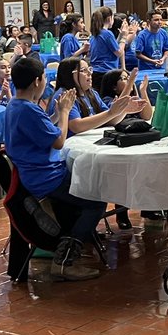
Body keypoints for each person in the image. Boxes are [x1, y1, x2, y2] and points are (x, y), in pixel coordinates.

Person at [4, 56, 104, 280]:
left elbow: (44, 128)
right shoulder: (28, 110)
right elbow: (58, 141)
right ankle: (65, 260)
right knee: (96, 200)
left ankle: (72, 247)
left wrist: (58, 114)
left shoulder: (16, 105)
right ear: (38, 81)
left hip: (35, 174)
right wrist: (66, 113)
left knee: (89, 181)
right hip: (46, 178)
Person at [51, 58, 144, 230]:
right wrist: (112, 112)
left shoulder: (90, 93)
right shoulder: (64, 95)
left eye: (90, 69)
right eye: (85, 71)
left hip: (94, 147)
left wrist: (123, 109)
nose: (90, 74)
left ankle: (135, 208)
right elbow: (76, 125)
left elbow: (110, 119)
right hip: (73, 156)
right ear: (72, 75)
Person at [88, 6, 125, 94]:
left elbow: (113, 46)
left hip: (96, 72)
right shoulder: (107, 33)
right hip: (107, 71)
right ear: (109, 18)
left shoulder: (96, 33)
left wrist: (120, 35)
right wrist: (124, 37)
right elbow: (119, 52)